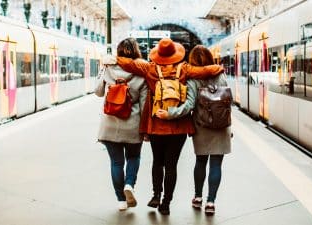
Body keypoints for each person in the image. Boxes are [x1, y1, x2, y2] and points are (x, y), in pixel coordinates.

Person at [104, 38, 224, 215]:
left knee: (157, 162)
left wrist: (115, 59)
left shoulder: (150, 68)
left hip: (157, 124)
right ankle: (166, 202)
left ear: (158, 54)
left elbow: (131, 64)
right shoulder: (184, 68)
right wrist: (218, 68)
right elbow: (204, 71)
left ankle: (156, 195)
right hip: (179, 126)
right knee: (171, 166)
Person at [156, 45, 232, 216]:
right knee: (216, 164)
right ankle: (211, 202)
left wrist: (170, 113)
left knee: (201, 162)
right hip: (221, 126)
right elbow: (227, 100)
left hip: (202, 125)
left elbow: (189, 106)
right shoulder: (220, 74)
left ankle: (198, 198)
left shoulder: (192, 80)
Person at [95, 38, 147, 211]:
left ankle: (121, 201)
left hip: (110, 125)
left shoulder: (108, 67)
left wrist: (102, 71)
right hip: (133, 125)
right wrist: (146, 129)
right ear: (136, 51)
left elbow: (98, 92)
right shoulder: (141, 72)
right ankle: (129, 184)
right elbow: (145, 102)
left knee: (116, 163)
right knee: (133, 157)